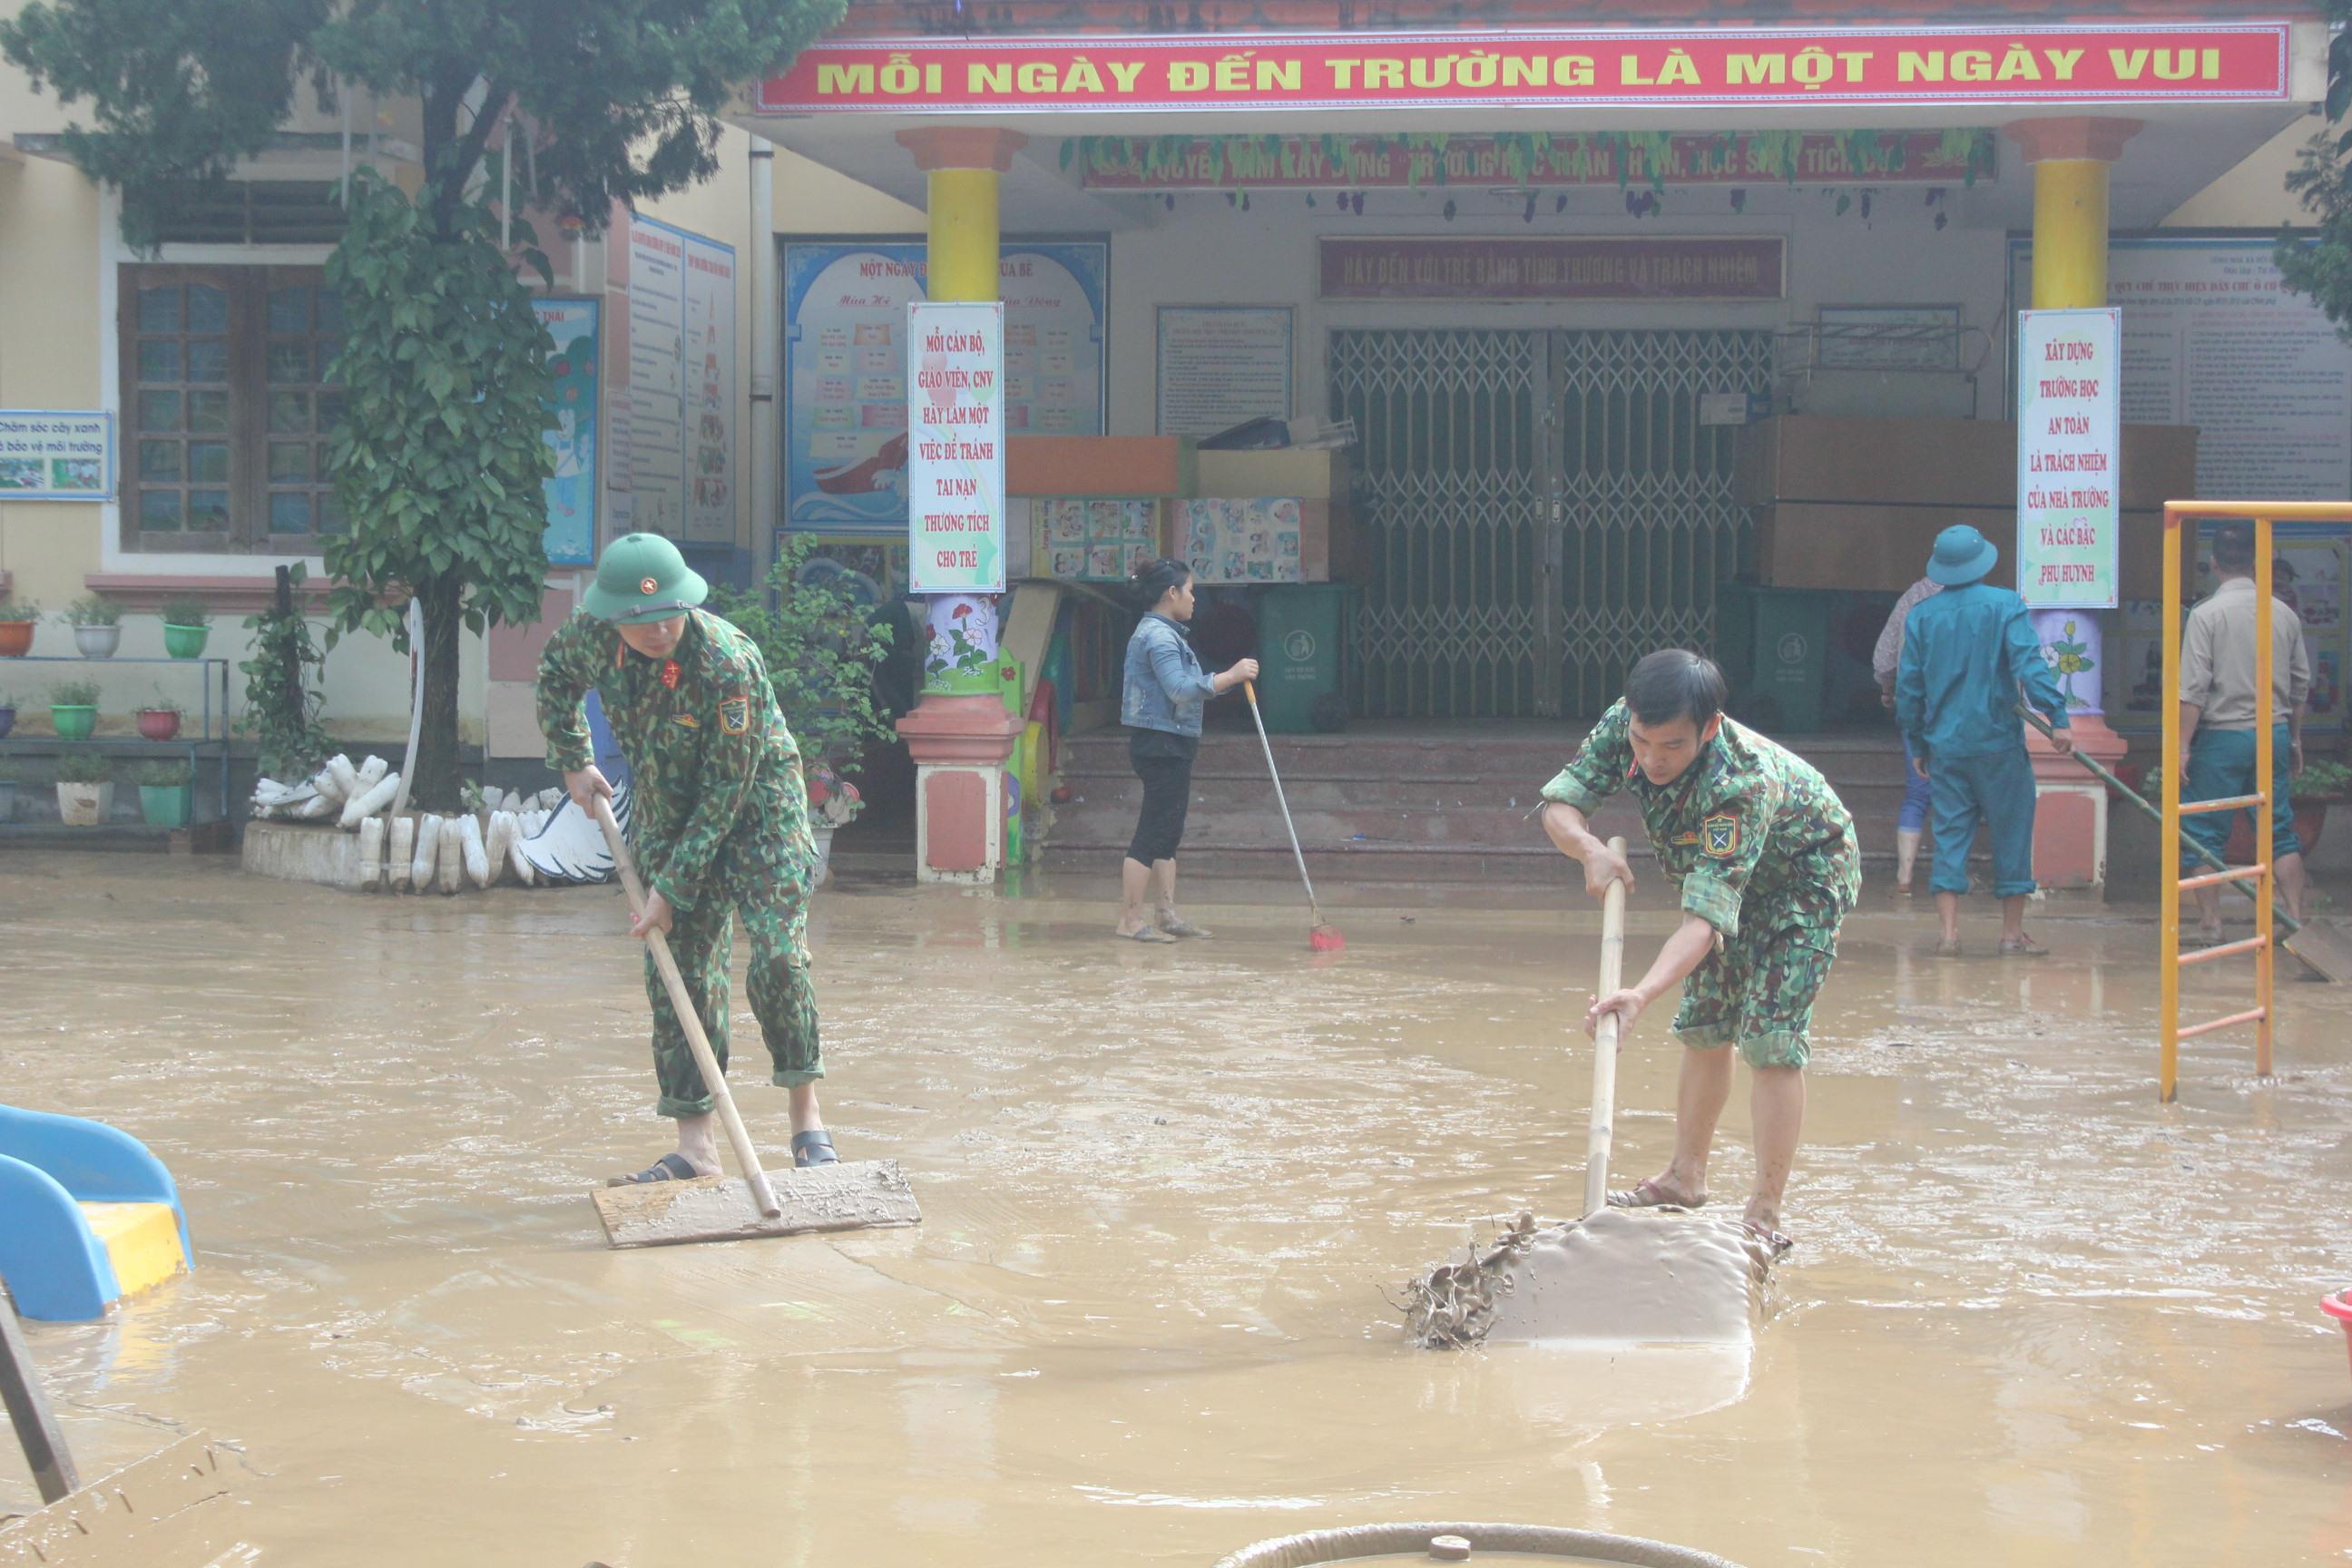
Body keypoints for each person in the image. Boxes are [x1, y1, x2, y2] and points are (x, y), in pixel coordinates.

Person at [535, 533, 837, 1181]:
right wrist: (574, 760)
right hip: (669, 813)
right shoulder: (590, 638)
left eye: (668, 614)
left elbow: (727, 789)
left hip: (759, 813)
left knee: (779, 958)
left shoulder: (728, 662)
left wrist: (670, 887)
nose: (658, 631)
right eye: (639, 622)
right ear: (612, 615)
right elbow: (556, 678)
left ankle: (806, 1120)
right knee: (681, 978)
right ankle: (696, 1148)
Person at [1539, 650, 1860, 1245]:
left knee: (1771, 1038)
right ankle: (1685, 1177)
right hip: (1719, 881)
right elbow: (1560, 807)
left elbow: (1704, 924)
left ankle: (1764, 1214)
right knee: (1706, 1024)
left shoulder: (1738, 782)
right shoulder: (1628, 723)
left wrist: (1639, 992)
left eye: (1672, 747)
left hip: (1803, 879)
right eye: (1642, 742)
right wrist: (1588, 849)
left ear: (1709, 728)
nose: (1651, 760)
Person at [1895, 524, 2074, 957]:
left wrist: (1918, 745)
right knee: (2012, 835)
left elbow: (1910, 688)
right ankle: (2011, 936)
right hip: (1998, 745)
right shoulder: (2006, 605)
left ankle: (1949, 936)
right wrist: (2058, 717)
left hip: (1946, 748)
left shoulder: (1921, 616)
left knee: (1951, 834)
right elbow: (2029, 665)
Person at [2178, 521, 2311, 944]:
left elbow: (2193, 689)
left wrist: (2182, 747)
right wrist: (2294, 739)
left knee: (2203, 832)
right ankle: (2293, 920)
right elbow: (2301, 684)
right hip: (2271, 731)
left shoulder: (2205, 615)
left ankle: (2210, 924)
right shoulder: (2283, 613)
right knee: (2279, 831)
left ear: (2213, 563)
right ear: (2257, 564)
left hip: (2221, 736)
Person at [1116, 559, 1257, 943]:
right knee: (1152, 831)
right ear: (1171, 593)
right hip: (1159, 743)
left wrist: (1223, 679)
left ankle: (1166, 914)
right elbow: (1180, 689)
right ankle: (1130, 919)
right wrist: (1232, 675)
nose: (1196, 599)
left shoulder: (1168, 633)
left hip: (1172, 740)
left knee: (1168, 831)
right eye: (1191, 591)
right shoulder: (1158, 637)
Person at [1872, 574, 1943, 895]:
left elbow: (1886, 655)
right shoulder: (1983, 602)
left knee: (1918, 791)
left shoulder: (1913, 596)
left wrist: (1888, 688)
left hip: (1915, 704)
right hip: (1962, 708)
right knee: (1955, 794)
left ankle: (1904, 878)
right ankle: (1948, 881)